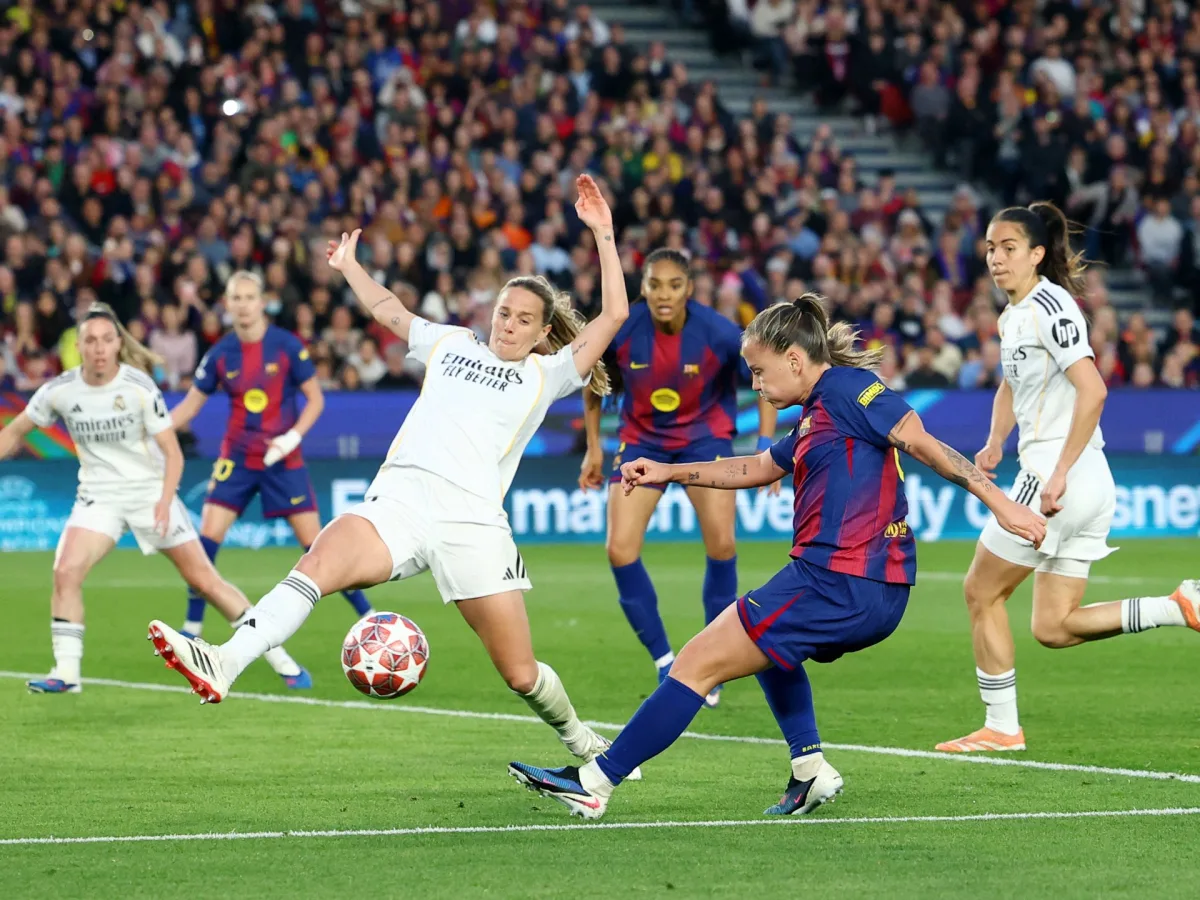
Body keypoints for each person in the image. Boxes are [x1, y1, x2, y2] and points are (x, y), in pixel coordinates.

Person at [147, 175, 640, 771]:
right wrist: (350, 267)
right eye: (503, 312)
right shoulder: (452, 343)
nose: (508, 324)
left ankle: (584, 745)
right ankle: (225, 661)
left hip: (472, 524)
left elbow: (615, 313)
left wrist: (603, 233)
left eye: (522, 320)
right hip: (398, 502)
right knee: (316, 563)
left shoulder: (549, 373)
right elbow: (389, 311)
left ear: (542, 332)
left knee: (519, 673)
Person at [507, 294, 1046, 819]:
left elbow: (923, 443)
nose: (755, 385)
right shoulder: (816, 412)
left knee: (696, 661)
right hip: (851, 582)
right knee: (768, 644)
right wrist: (669, 471)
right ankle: (809, 769)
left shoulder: (849, 390)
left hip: (844, 580)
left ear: (793, 359)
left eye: (759, 371)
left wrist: (1001, 504)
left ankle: (594, 783)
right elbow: (758, 467)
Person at [935, 202, 1200, 754]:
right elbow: (1011, 383)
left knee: (980, 591)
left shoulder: (1050, 306)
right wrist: (996, 439)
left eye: (1009, 248)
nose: (996, 258)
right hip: (1088, 481)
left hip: (1058, 478)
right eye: (990, 248)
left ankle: (1001, 727)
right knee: (1054, 627)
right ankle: (1176, 606)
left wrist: (1056, 474)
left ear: (1036, 254)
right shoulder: (1014, 314)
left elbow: (1093, 390)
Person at [0, 303, 305, 693]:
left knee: (205, 581)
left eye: (106, 340)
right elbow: (16, 430)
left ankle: (281, 659)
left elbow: (172, 453)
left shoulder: (139, 388)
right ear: (78, 346)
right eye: (90, 341)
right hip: (98, 498)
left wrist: (164, 502)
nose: (98, 348)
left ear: (117, 344)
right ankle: (67, 673)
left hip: (150, 493)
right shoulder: (59, 391)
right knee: (65, 571)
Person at [579, 248, 779, 707]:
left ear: (689, 288)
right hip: (642, 442)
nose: (663, 294)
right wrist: (593, 447)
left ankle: (713, 661)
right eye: (654, 285)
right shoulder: (623, 327)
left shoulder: (719, 332)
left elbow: (764, 374)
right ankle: (665, 660)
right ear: (643, 288)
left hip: (705, 442)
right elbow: (594, 380)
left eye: (673, 285)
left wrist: (766, 445)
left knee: (722, 546)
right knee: (619, 549)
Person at [169, 271, 374, 689]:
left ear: (262, 301)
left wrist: (292, 437)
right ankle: (192, 626)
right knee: (205, 542)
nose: (243, 305)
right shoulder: (221, 353)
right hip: (237, 457)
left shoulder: (287, 346)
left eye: (250, 297)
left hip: (284, 457)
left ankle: (369, 618)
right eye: (236, 298)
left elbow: (315, 399)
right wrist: (152, 433)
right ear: (227, 304)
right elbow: (189, 407)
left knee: (318, 546)